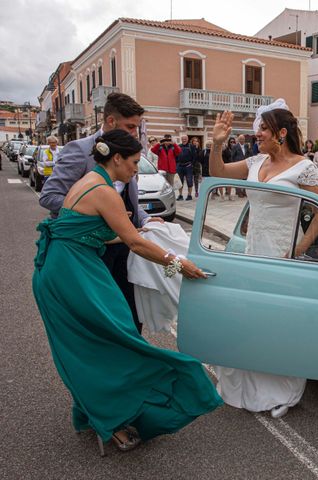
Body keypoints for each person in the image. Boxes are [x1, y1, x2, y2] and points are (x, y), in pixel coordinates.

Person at [33, 129, 222, 454]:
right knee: (111, 342)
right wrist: (178, 263)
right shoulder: (103, 191)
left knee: (95, 345)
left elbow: (99, 233)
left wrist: (142, 228)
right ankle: (113, 419)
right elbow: (133, 243)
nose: (137, 168)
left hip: (68, 268)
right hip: (71, 274)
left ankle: (104, 412)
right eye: (134, 161)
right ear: (117, 158)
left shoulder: (90, 181)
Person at [208, 100, 318, 419]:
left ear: (281, 133)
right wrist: (217, 144)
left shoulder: (304, 167)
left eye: (263, 128)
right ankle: (248, 388)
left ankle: (283, 391)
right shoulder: (255, 162)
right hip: (252, 253)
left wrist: (299, 249)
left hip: (281, 257)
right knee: (249, 322)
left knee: (277, 326)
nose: (256, 133)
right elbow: (217, 173)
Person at [40, 92, 158, 334]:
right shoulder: (79, 150)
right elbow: (49, 196)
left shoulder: (129, 152)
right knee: (99, 316)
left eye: (137, 127)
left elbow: (128, 200)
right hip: (91, 250)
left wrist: (144, 218)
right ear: (111, 122)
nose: (135, 132)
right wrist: (96, 216)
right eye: (130, 126)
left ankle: (131, 355)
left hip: (124, 245)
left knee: (130, 310)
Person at [176, 135, 197, 201]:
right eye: (183, 139)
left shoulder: (191, 146)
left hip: (188, 166)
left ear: (187, 139)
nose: (184, 140)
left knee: (189, 181)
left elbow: (195, 157)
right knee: (180, 182)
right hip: (180, 166)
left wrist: (191, 164)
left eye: (185, 139)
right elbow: (175, 156)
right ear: (181, 139)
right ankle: (180, 195)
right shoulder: (178, 146)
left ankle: (189, 195)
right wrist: (177, 164)